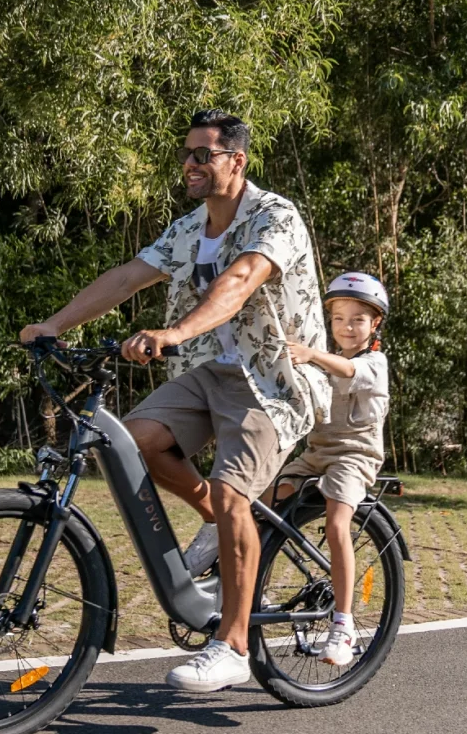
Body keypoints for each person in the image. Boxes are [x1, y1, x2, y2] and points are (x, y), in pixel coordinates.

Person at [21, 109, 330, 693]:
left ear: (236, 161)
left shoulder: (275, 216)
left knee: (236, 490)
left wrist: (174, 333)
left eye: (202, 155)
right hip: (208, 372)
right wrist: (52, 323)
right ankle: (218, 521)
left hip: (273, 381)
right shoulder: (189, 228)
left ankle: (234, 645)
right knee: (131, 442)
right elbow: (126, 278)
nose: (188, 164)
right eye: (186, 154)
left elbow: (239, 282)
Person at [281, 272, 392, 668]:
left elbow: (347, 372)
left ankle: (342, 624)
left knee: (336, 523)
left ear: (374, 324)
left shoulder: (373, 362)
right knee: (265, 501)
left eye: (358, 319)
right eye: (339, 318)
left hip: (355, 456)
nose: (347, 326)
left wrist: (311, 355)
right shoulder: (321, 359)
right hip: (317, 452)